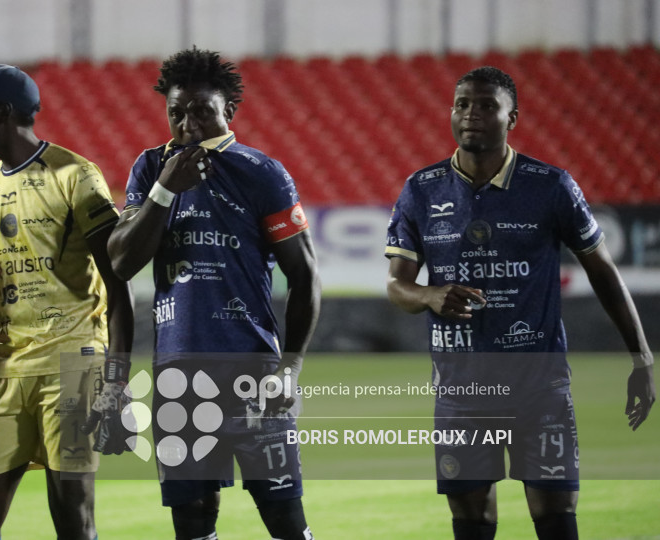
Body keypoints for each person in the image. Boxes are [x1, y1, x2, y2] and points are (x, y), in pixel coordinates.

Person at [385, 66, 655, 540]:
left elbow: (603, 270)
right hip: (460, 391)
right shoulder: (421, 190)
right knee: (472, 522)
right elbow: (397, 286)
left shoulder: (550, 186)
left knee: (554, 520)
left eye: (487, 105)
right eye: (462, 103)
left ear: (513, 118)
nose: (471, 114)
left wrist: (641, 356)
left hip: (539, 388)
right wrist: (428, 295)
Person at [107, 47, 321, 540]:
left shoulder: (262, 172)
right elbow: (121, 261)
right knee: (194, 523)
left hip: (253, 374)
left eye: (202, 110)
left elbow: (305, 275)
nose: (188, 123)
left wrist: (290, 370)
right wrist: (165, 189)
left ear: (229, 111)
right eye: (177, 112)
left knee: (286, 518)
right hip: (178, 377)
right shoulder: (150, 169)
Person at [0, 64, 134, 540]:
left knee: (73, 514)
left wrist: (115, 385)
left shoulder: (75, 174)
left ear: (3, 113)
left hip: (74, 363)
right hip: (5, 372)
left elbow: (118, 285)